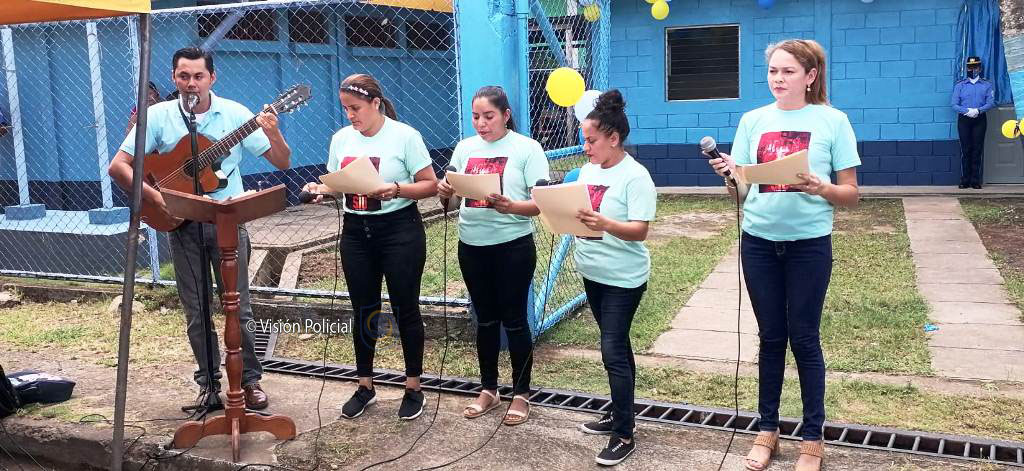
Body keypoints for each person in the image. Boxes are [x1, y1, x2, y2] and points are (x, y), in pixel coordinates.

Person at [705, 39, 860, 471]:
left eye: (788, 71)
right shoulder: (753, 120)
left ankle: (812, 438)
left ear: (810, 76)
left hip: (809, 246)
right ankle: (767, 430)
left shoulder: (833, 121)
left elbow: (851, 194)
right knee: (771, 338)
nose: (778, 78)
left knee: (805, 338)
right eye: (773, 70)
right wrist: (730, 176)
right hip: (758, 243)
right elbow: (741, 194)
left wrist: (821, 187)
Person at [108, 47, 291, 411]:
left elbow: (282, 161)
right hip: (182, 225)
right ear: (174, 78)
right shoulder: (157, 116)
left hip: (227, 222)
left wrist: (274, 133)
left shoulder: (235, 114)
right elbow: (119, 166)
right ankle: (208, 385)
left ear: (212, 78)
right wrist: (157, 197)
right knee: (197, 311)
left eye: (198, 76)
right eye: (183, 76)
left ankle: (249, 382)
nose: (191, 83)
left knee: (240, 308)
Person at [302, 73, 438, 421]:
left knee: (405, 308)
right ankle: (365, 386)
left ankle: (413, 388)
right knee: (363, 309)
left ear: (376, 103)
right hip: (355, 232)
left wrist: (396, 189)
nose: (350, 115)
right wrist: (320, 190)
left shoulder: (405, 136)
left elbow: (430, 185)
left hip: (399, 230)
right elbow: (338, 183)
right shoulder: (341, 139)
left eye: (356, 108)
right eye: (345, 109)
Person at [435, 86, 549, 426]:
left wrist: (511, 206)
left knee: (514, 320)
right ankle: (489, 389)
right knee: (484, 319)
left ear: (505, 115)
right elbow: (452, 202)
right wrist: (445, 192)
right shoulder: (465, 148)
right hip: (472, 245)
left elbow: (541, 203)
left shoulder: (527, 149)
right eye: (475, 117)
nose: (481, 124)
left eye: (488, 116)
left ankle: (521, 393)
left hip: (512, 246)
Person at [572, 89, 656, 467]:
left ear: (614, 138)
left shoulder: (635, 176)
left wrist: (604, 223)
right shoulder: (589, 171)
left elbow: (639, 230)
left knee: (612, 351)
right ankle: (620, 414)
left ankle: (623, 434)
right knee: (618, 347)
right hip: (593, 272)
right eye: (584, 140)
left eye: (591, 141)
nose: (585, 147)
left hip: (624, 278)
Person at [952, 56, 995, 189]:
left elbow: (990, 102)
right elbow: (954, 104)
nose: (973, 69)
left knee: (977, 149)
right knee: (966, 149)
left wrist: (978, 110)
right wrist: (966, 111)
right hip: (964, 119)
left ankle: (975, 180)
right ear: (967, 68)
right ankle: (965, 180)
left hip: (979, 119)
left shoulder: (986, 85)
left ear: (980, 68)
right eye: (970, 67)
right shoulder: (960, 85)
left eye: (975, 67)